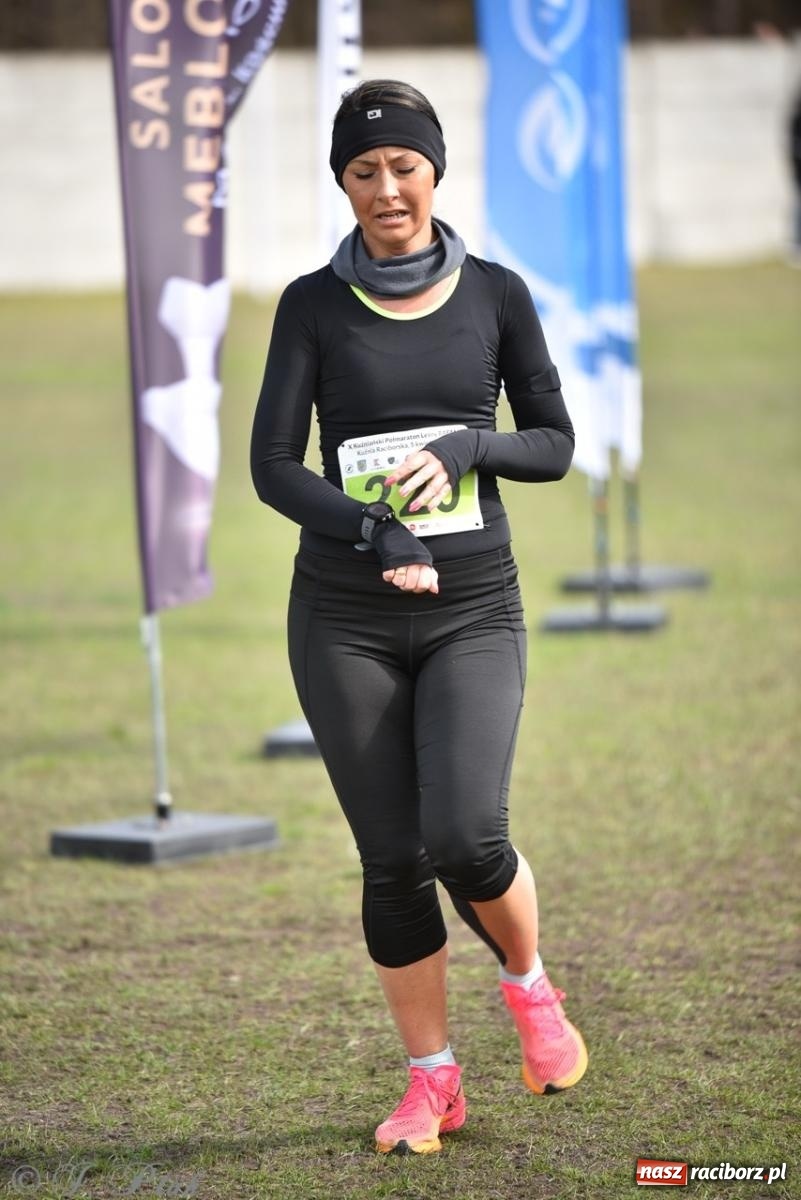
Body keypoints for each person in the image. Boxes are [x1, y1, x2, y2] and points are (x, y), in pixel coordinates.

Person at [250, 79, 587, 1156]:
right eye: (363, 171)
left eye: (403, 166)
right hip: (343, 615)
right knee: (393, 857)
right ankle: (432, 1082)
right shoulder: (310, 303)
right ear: (344, 184)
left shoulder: (495, 293)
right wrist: (371, 530)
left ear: (434, 172)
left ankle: (531, 992)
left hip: (474, 609)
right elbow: (270, 466)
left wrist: (470, 445)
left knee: (465, 835)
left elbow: (553, 444)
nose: (385, 188)